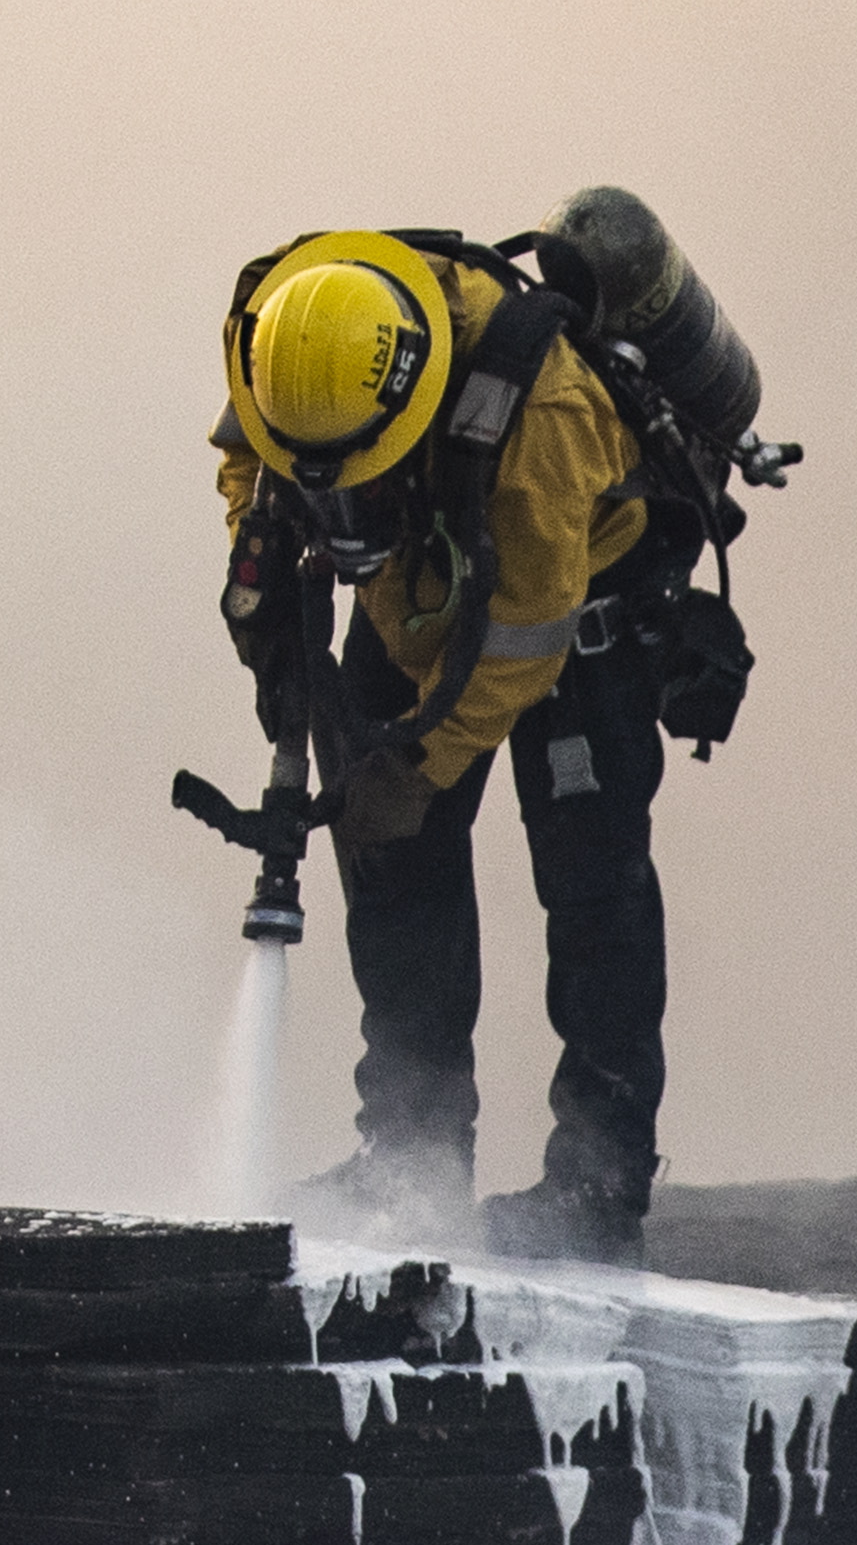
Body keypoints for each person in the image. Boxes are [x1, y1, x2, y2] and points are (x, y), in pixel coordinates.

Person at [218, 224, 684, 1264]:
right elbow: (248, 454)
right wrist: (262, 585)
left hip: (573, 611)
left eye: (358, 479)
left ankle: (598, 1194)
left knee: (590, 881)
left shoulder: (542, 423)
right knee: (389, 867)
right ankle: (409, 1159)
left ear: (415, 405)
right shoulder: (279, 331)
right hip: (412, 590)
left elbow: (523, 635)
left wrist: (424, 764)